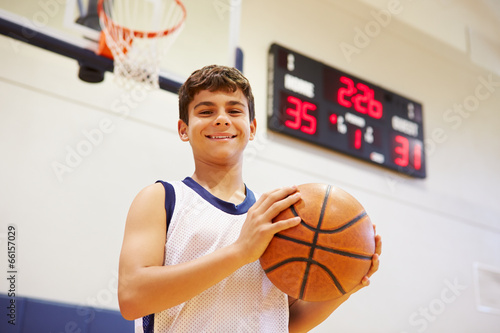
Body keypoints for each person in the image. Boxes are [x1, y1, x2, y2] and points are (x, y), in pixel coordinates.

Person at [117, 65, 381, 332]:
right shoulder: (162, 198)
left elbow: (283, 321)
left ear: (252, 128)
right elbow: (132, 298)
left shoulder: (275, 216)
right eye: (206, 111)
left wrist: (345, 284)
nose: (221, 119)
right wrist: (241, 251)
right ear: (183, 129)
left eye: (234, 110)